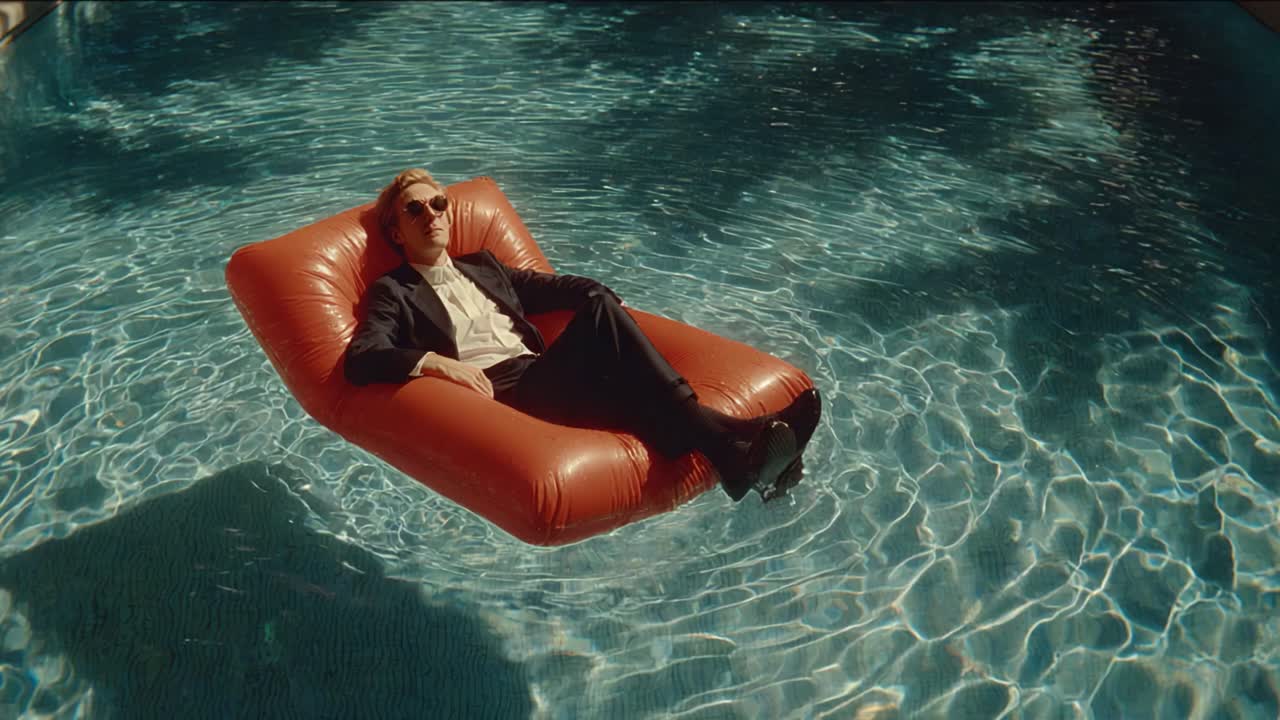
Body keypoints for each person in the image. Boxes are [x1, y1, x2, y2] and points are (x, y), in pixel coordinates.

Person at [344, 168, 820, 502]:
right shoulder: (395, 290)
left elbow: (554, 287)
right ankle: (743, 441)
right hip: (509, 396)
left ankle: (738, 453)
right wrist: (436, 362)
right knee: (599, 318)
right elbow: (363, 355)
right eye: (415, 209)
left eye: (438, 204)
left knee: (631, 381)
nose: (431, 214)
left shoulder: (483, 266)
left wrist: (606, 295)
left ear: (449, 213)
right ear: (397, 233)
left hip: (547, 377)